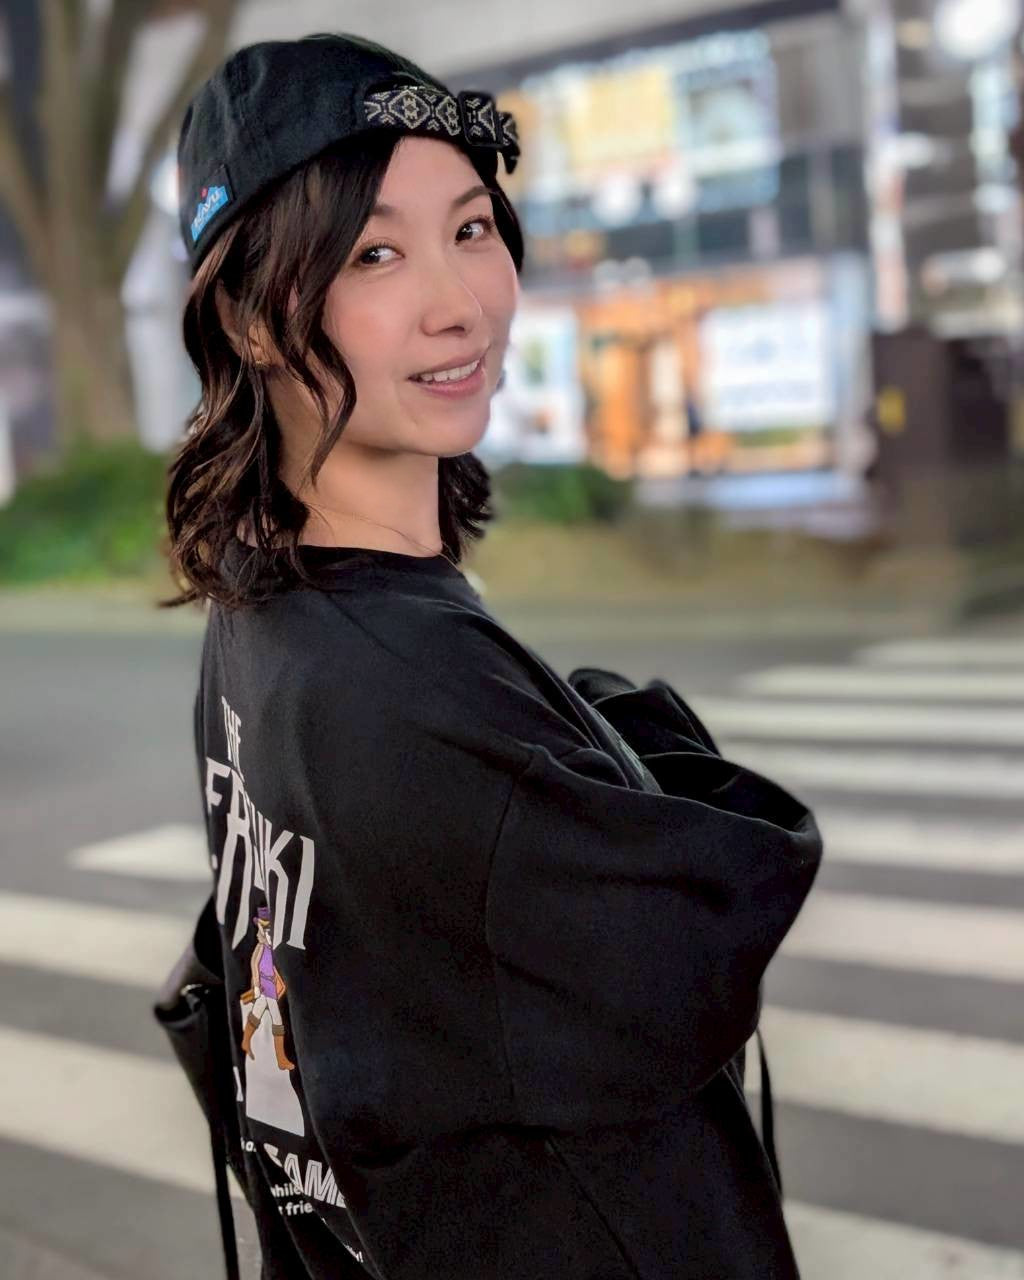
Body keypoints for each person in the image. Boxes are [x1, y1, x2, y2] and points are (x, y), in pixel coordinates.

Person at [161, 31, 823, 1280]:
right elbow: (702, 924)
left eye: (470, 228)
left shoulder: (265, 611)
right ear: (250, 318)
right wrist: (645, 749)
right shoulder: (409, 693)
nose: (459, 301)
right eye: (374, 255)